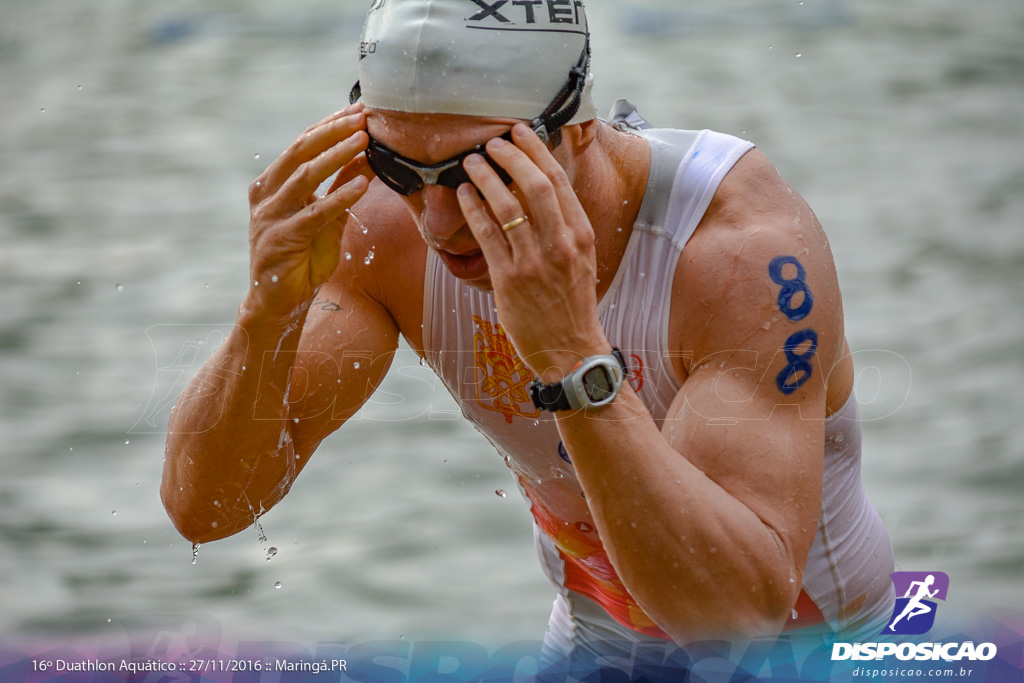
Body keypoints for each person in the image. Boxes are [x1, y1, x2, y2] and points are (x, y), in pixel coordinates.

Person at [161, 0, 895, 665]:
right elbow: (206, 509)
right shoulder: (382, 232)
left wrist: (571, 352)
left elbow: (736, 619)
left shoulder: (736, 255)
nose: (440, 222)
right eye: (397, 166)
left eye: (475, 173)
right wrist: (267, 314)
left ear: (577, 130)